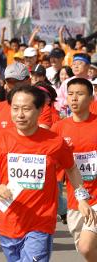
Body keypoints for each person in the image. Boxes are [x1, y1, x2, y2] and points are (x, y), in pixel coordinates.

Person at [0, 84, 96, 262]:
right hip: (9, 222)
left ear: (40, 110)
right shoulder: (0, 139)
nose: (20, 115)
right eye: (15, 109)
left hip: (41, 223)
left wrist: (81, 197)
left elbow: (71, 168)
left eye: (26, 109)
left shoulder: (54, 142)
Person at [51, 78, 97, 262]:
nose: (74, 98)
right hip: (75, 200)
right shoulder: (59, 128)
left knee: (86, 247)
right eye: (70, 94)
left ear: (91, 98)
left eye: (80, 94)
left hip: (96, 198)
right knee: (83, 247)